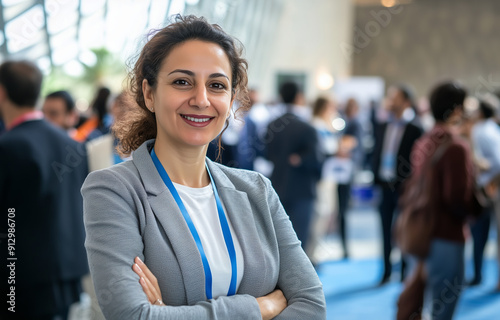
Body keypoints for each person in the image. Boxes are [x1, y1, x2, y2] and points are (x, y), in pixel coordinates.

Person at [81, 15, 326, 320]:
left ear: (231, 99)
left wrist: (171, 314)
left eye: (217, 85)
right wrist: (259, 307)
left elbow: (311, 305)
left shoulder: (256, 190)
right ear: (149, 93)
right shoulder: (114, 190)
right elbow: (134, 315)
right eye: (182, 82)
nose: (201, 99)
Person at [0, 60, 89, 320]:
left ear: (2, 92)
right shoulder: (72, 144)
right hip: (68, 272)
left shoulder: (9, 146)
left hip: (21, 277)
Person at [407, 82, 481, 320]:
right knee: (442, 307)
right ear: (457, 110)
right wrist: (479, 205)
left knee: (422, 300)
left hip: (420, 230)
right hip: (447, 234)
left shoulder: (426, 140)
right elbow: (457, 198)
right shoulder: (455, 146)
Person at [372, 84, 424, 284]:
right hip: (384, 184)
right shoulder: (383, 124)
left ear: (406, 101)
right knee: (385, 229)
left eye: (395, 98)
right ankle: (386, 271)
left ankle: (404, 272)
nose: (390, 101)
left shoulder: (416, 128)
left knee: (404, 229)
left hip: (405, 187)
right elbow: (378, 151)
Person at [264, 82, 323, 252]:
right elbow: (317, 162)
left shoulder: (272, 125)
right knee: (299, 243)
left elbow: (266, 155)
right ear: (299, 98)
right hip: (302, 191)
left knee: (278, 242)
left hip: (277, 187)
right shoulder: (308, 128)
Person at [469, 99, 500, 287]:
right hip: (491, 187)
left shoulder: (480, 130)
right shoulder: (493, 128)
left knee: (480, 234)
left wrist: (488, 181)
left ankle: (479, 274)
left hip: (489, 188)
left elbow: (495, 163)